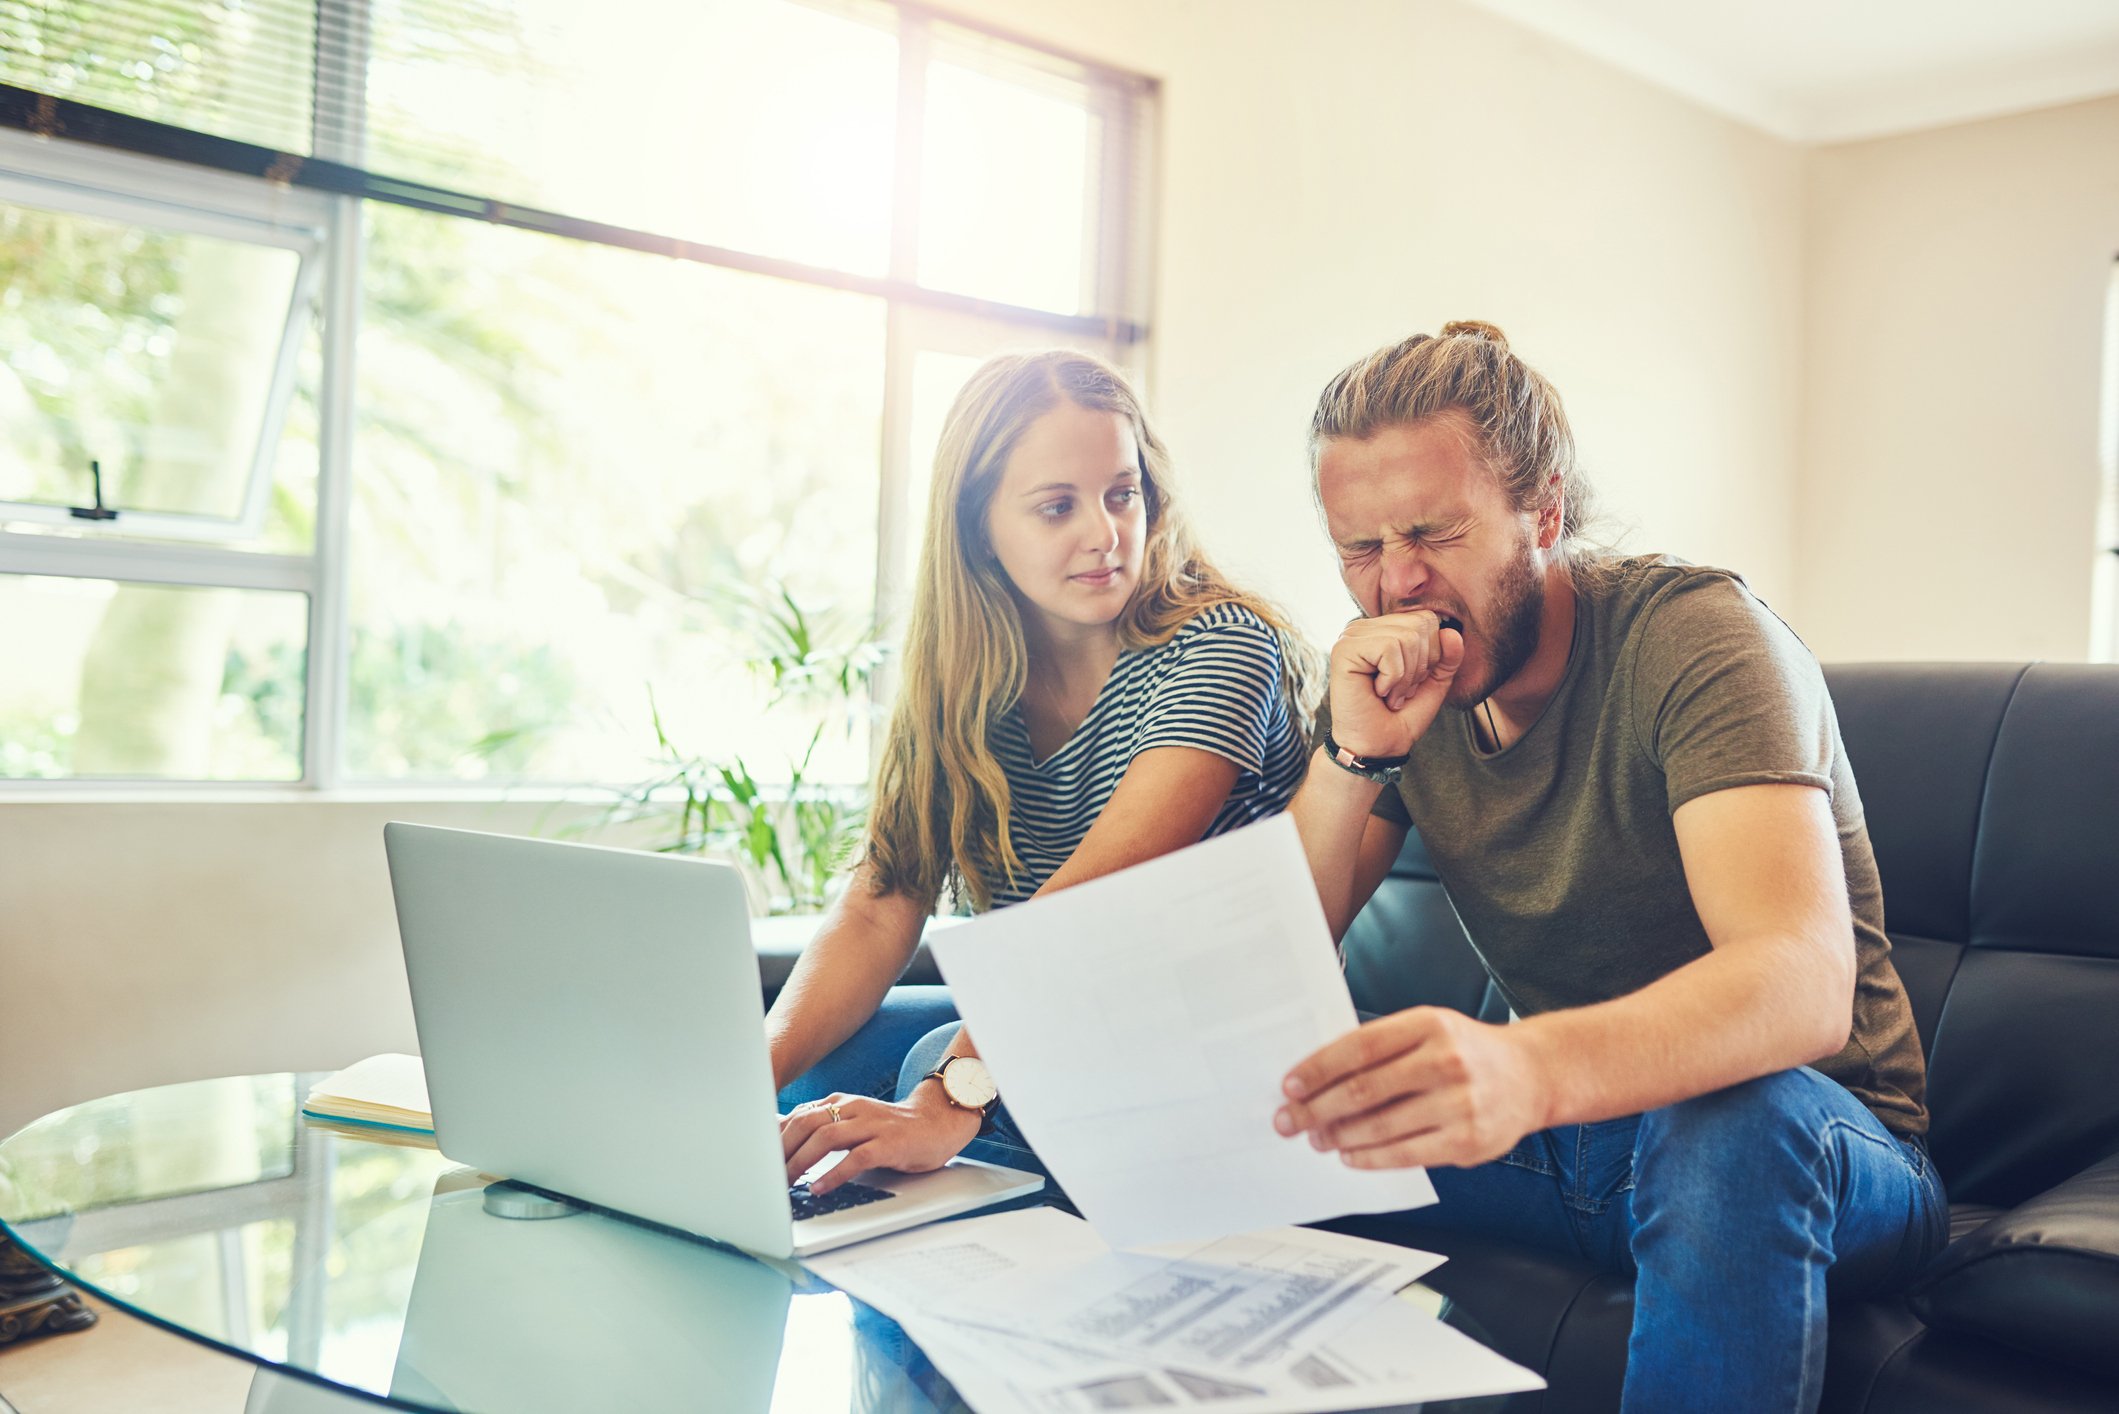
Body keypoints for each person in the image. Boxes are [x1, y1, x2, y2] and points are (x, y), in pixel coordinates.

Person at [1272, 322, 1947, 1412]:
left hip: (1816, 1145)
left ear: (1543, 512)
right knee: (1246, 1098)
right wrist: (1351, 759)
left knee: (1727, 1124)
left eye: (1433, 531)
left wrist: (1524, 1068)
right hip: (1575, 1143)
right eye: (1359, 547)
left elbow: (1802, 983)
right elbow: (1267, 961)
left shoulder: (1694, 638)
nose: (1396, 582)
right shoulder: (1391, 682)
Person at [772, 349, 1314, 1195]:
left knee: (926, 1060)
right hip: (1068, 1028)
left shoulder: (1223, 647)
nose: (1104, 533)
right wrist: (744, 1076)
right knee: (821, 1076)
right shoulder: (964, 681)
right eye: (1057, 507)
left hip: (1218, 1039)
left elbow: (1088, 907)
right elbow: (879, 906)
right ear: (977, 527)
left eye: (1121, 494)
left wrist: (947, 1096)